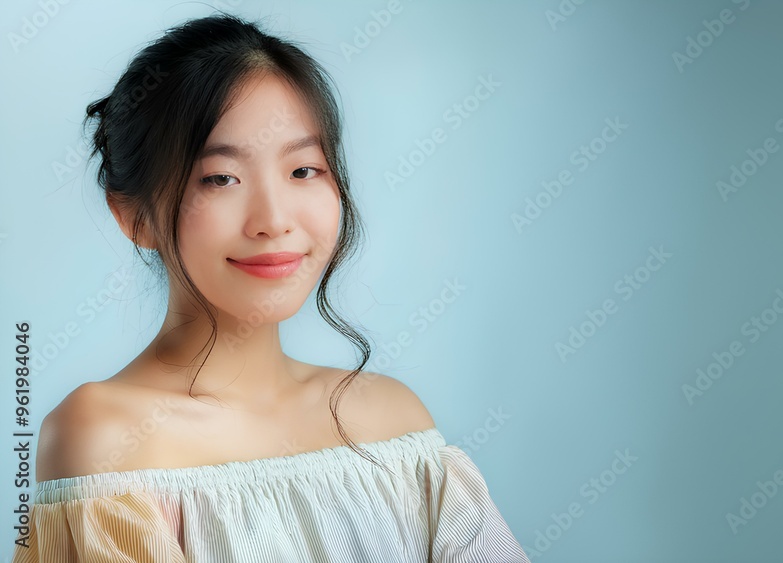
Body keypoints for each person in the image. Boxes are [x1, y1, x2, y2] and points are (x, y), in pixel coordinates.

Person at [14, 13, 529, 562]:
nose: (274, 220)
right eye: (221, 178)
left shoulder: (394, 423)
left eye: (303, 170)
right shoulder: (104, 436)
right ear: (133, 216)